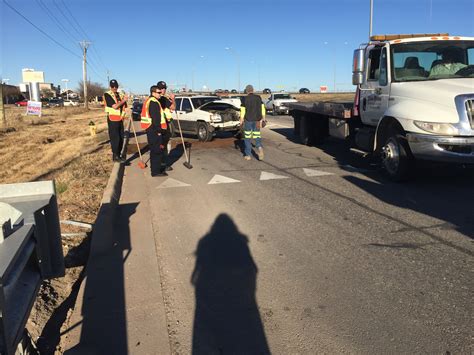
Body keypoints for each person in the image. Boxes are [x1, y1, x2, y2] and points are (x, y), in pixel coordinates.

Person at [141, 85, 168, 176]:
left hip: (150, 129)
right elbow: (156, 118)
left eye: (161, 92)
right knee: (157, 151)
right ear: (153, 93)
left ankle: (155, 169)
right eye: (158, 92)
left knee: (154, 150)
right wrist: (159, 131)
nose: (160, 94)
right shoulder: (154, 102)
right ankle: (156, 172)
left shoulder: (149, 100)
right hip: (154, 130)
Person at [103, 79, 128, 162]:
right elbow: (115, 106)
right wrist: (124, 100)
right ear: (110, 87)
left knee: (121, 138)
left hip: (120, 119)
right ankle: (115, 156)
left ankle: (119, 155)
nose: (114, 88)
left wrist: (127, 110)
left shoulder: (120, 94)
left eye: (116, 86)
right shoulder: (107, 94)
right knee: (115, 138)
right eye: (113, 86)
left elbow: (124, 106)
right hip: (112, 119)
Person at [240, 84, 266, 161]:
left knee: (247, 137)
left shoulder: (244, 99)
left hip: (248, 120)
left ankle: (248, 155)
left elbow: (243, 110)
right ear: (253, 90)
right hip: (257, 120)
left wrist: (241, 120)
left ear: (247, 91)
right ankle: (259, 147)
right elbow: (262, 108)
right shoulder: (258, 98)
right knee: (256, 135)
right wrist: (264, 118)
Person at [157, 81, 175, 171]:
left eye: (164, 88)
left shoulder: (164, 98)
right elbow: (172, 107)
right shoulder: (157, 99)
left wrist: (172, 100)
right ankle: (161, 164)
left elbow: (172, 107)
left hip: (165, 123)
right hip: (159, 125)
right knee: (161, 144)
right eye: (161, 88)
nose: (163, 90)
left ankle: (163, 163)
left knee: (165, 143)